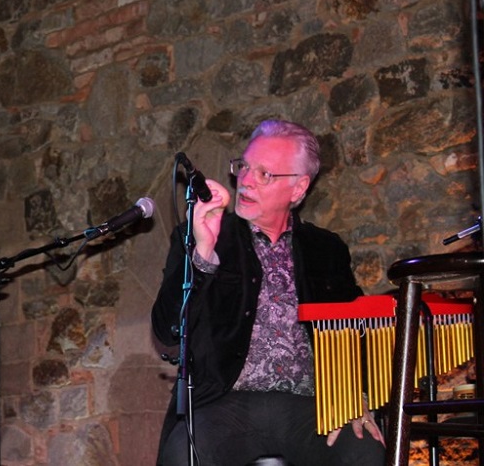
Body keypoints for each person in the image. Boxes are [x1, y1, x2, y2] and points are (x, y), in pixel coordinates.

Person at [151, 120, 386, 466]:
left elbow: (354, 331)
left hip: (312, 406)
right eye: (244, 167)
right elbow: (167, 329)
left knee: (365, 450)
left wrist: (355, 396)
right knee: (182, 455)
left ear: (298, 188)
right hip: (224, 402)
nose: (246, 180)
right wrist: (203, 251)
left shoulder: (326, 249)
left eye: (264, 174)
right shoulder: (203, 235)